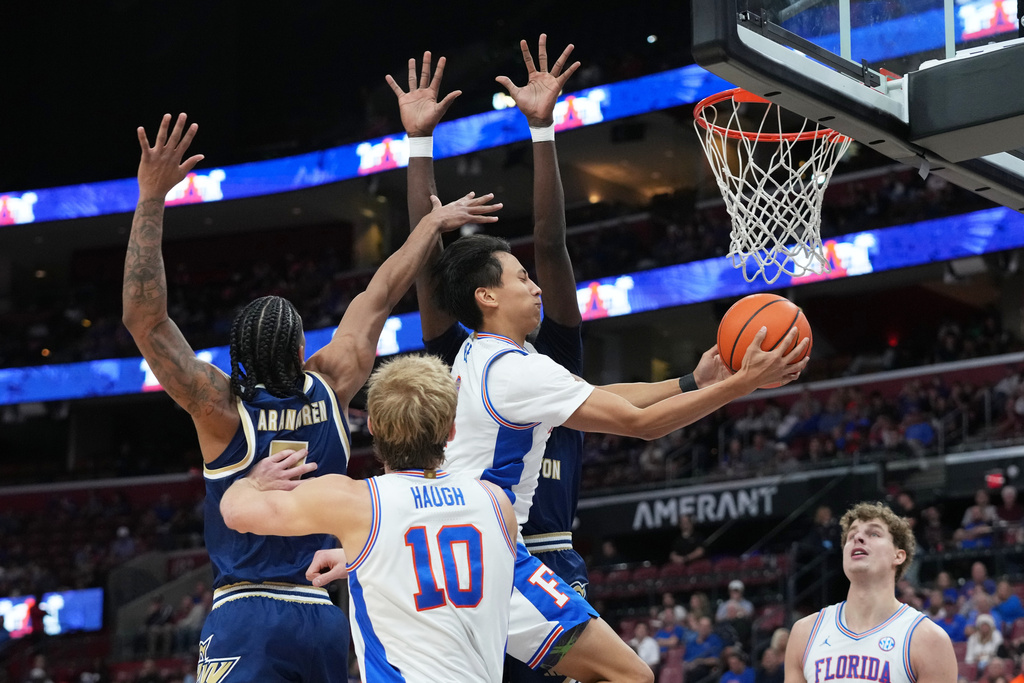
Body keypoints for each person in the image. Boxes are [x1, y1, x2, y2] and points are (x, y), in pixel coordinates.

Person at [391, 37, 783, 683]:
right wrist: (740, 383)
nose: (537, 284)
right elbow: (635, 422)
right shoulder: (503, 361)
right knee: (630, 673)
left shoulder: (491, 359)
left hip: (473, 553)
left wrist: (691, 378)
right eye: (521, 277)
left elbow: (605, 389)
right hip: (499, 555)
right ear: (487, 295)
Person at [121, 113, 500, 680]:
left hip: (246, 611)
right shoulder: (332, 379)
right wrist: (433, 225)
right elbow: (384, 287)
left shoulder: (220, 407)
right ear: (300, 347)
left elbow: (144, 319)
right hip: (323, 612)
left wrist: (151, 198)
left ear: (236, 353)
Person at [220, 355, 517, 682]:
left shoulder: (356, 502)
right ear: (450, 431)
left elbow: (235, 512)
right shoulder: (496, 501)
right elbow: (448, 561)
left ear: (373, 426)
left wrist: (254, 480)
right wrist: (369, 556)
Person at [784, 501, 956, 683]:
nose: (858, 538)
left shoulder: (927, 639)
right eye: (851, 536)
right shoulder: (805, 633)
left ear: (898, 555)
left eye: (874, 533)